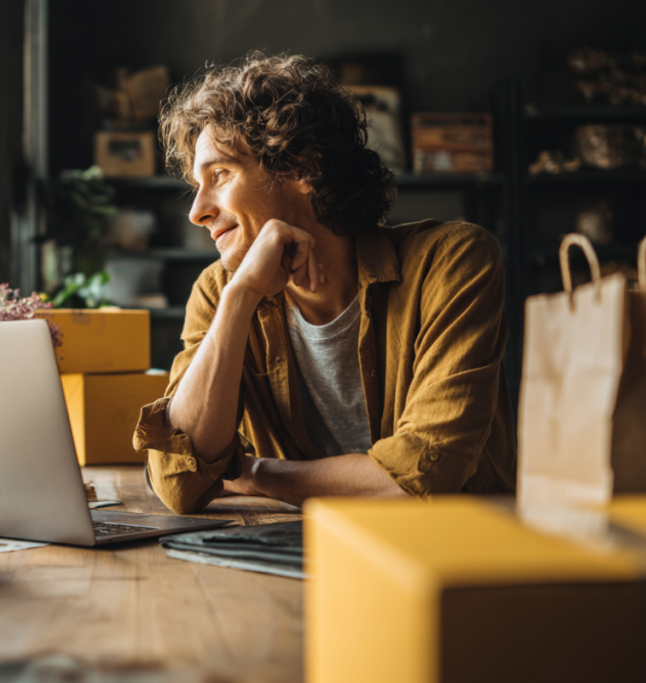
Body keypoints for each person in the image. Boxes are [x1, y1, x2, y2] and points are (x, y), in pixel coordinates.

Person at [133, 53, 517, 514]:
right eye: (197, 184)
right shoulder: (219, 292)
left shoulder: (451, 261)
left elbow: (422, 475)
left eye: (220, 175)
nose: (197, 211)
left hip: (454, 557)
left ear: (303, 167)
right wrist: (239, 300)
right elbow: (180, 484)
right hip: (296, 555)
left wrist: (251, 473)